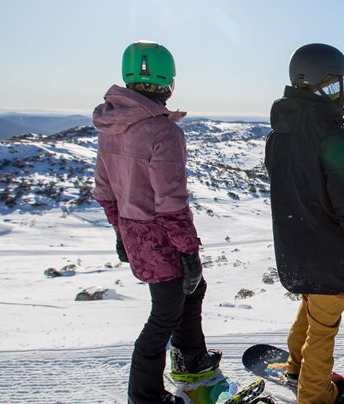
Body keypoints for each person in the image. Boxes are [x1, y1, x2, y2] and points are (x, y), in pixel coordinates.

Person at [93, 41, 221, 404]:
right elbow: (171, 203)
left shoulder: (111, 125)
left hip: (135, 232)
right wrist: (188, 252)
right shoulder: (163, 132)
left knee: (193, 291)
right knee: (163, 315)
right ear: (168, 81)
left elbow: (105, 190)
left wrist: (120, 231)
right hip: (160, 236)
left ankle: (191, 359)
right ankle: (144, 395)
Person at [264, 43, 344, 404]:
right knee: (323, 328)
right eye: (337, 84)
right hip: (331, 257)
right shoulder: (335, 140)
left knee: (311, 306)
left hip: (295, 253)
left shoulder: (278, 136)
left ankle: (297, 365)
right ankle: (315, 394)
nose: (342, 93)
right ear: (319, 84)